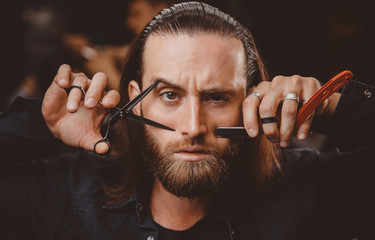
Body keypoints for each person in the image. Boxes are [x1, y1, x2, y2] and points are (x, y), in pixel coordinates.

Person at [1, 2, 375, 239]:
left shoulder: (310, 190)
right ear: (135, 99)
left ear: (251, 100)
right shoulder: (71, 191)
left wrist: (333, 108)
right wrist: (38, 124)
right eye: (169, 95)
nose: (193, 126)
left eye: (216, 97)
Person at [63, 0, 170, 90]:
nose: (130, 22)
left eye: (137, 14)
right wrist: (85, 49)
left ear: (160, 10)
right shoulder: (144, 49)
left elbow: (146, 106)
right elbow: (118, 52)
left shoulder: (171, 51)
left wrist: (108, 73)